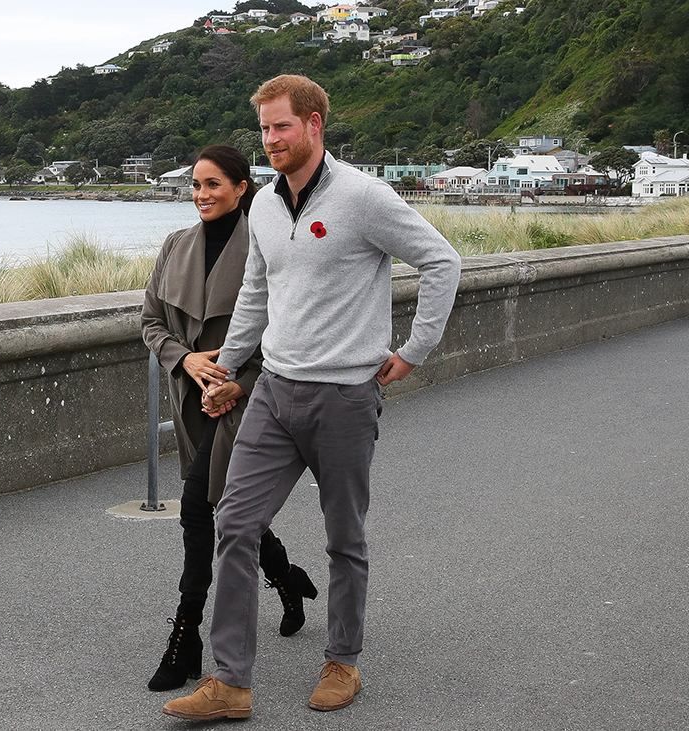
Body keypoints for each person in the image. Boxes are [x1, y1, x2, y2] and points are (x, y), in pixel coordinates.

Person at [163, 75, 461, 721]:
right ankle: (231, 682)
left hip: (345, 397)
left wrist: (414, 351)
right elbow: (256, 295)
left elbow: (442, 262)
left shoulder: (363, 197)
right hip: (273, 390)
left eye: (281, 127)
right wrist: (231, 367)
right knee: (235, 525)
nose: (271, 140)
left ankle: (342, 660)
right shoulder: (265, 206)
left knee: (343, 538)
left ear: (315, 124)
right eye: (264, 129)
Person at [141, 144, 318, 693]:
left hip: (248, 401)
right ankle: (287, 578)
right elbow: (150, 321)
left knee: (198, 508)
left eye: (214, 184)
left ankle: (186, 633)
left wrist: (239, 381)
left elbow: (289, 326)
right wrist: (184, 357)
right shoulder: (175, 246)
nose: (202, 194)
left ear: (243, 188)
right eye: (196, 185)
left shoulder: (265, 245)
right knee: (227, 505)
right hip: (191, 397)